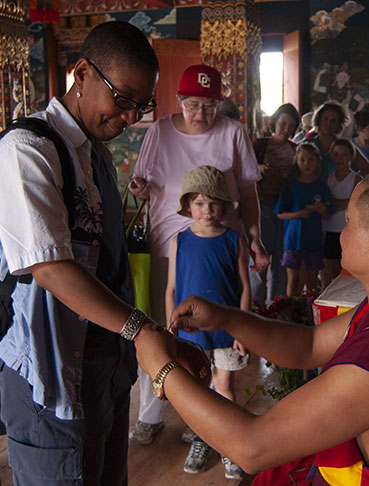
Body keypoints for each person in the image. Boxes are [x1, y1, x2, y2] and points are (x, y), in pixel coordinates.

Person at [133, 167, 369, 485]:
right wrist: (227, 317)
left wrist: (163, 370)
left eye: (348, 222)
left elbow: (251, 446)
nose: (341, 233)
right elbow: (311, 344)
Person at [0, 21, 208, 486]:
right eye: (123, 100)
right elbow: (51, 268)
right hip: (50, 379)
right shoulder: (27, 150)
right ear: (82, 72)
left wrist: (153, 338)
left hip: (105, 372)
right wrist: (142, 329)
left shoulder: (94, 157)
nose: (132, 118)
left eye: (143, 105)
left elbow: (108, 270)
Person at [127, 63, 267, 445]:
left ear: (218, 104)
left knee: (211, 335)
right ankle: (150, 414)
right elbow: (144, 185)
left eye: (209, 106)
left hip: (219, 251)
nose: (201, 114)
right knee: (156, 330)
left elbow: (249, 194)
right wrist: (139, 190)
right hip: (168, 248)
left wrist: (254, 237)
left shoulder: (233, 133)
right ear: (179, 101)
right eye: (192, 105)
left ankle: (201, 419)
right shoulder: (159, 132)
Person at [167, 166, 250, 479]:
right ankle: (203, 437)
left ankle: (230, 445)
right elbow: (172, 288)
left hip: (227, 330)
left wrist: (242, 329)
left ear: (223, 206)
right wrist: (170, 326)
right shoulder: (180, 241)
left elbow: (244, 286)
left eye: (213, 203)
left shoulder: (233, 240)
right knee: (199, 387)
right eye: (199, 203)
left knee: (225, 385)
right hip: (191, 331)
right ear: (188, 204)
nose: (206, 210)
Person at [251, 103, 300, 307]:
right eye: (283, 123)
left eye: (291, 125)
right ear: (274, 122)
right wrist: (260, 168)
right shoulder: (259, 145)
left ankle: (277, 307)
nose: (286, 129)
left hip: (287, 208)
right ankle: (256, 306)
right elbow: (244, 169)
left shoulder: (295, 149)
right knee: (261, 258)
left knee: (282, 260)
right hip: (263, 205)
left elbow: (301, 177)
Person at [275, 143, 332, 296]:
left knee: (312, 282)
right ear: (297, 161)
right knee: (293, 281)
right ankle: (290, 315)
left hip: (313, 240)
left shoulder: (321, 187)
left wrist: (322, 210)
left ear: (317, 162)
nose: (306, 164)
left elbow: (328, 215)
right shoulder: (291, 186)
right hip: (293, 241)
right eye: (302, 160)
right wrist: (297, 214)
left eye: (311, 160)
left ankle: (309, 315)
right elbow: (279, 214)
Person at [321, 139, 361, 289]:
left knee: (343, 275)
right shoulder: (327, 179)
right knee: (326, 274)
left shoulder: (356, 179)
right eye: (336, 154)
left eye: (344, 154)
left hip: (346, 230)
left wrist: (336, 203)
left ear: (351, 156)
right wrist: (339, 203)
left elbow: (355, 204)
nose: (340, 158)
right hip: (329, 230)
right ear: (332, 156)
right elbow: (326, 205)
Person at [308, 101, 369, 179]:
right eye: (326, 119)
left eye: (333, 120)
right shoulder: (308, 144)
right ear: (319, 121)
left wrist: (353, 183)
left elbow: (366, 167)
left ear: (339, 124)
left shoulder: (345, 146)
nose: (329, 124)